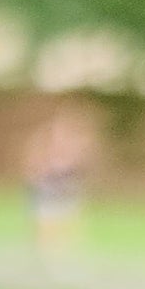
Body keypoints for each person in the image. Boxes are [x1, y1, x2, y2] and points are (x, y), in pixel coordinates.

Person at [22, 105, 98, 255]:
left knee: (68, 218)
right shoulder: (45, 142)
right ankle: (43, 250)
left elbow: (79, 167)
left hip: (64, 187)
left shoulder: (76, 146)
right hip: (47, 186)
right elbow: (35, 165)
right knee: (46, 221)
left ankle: (67, 250)